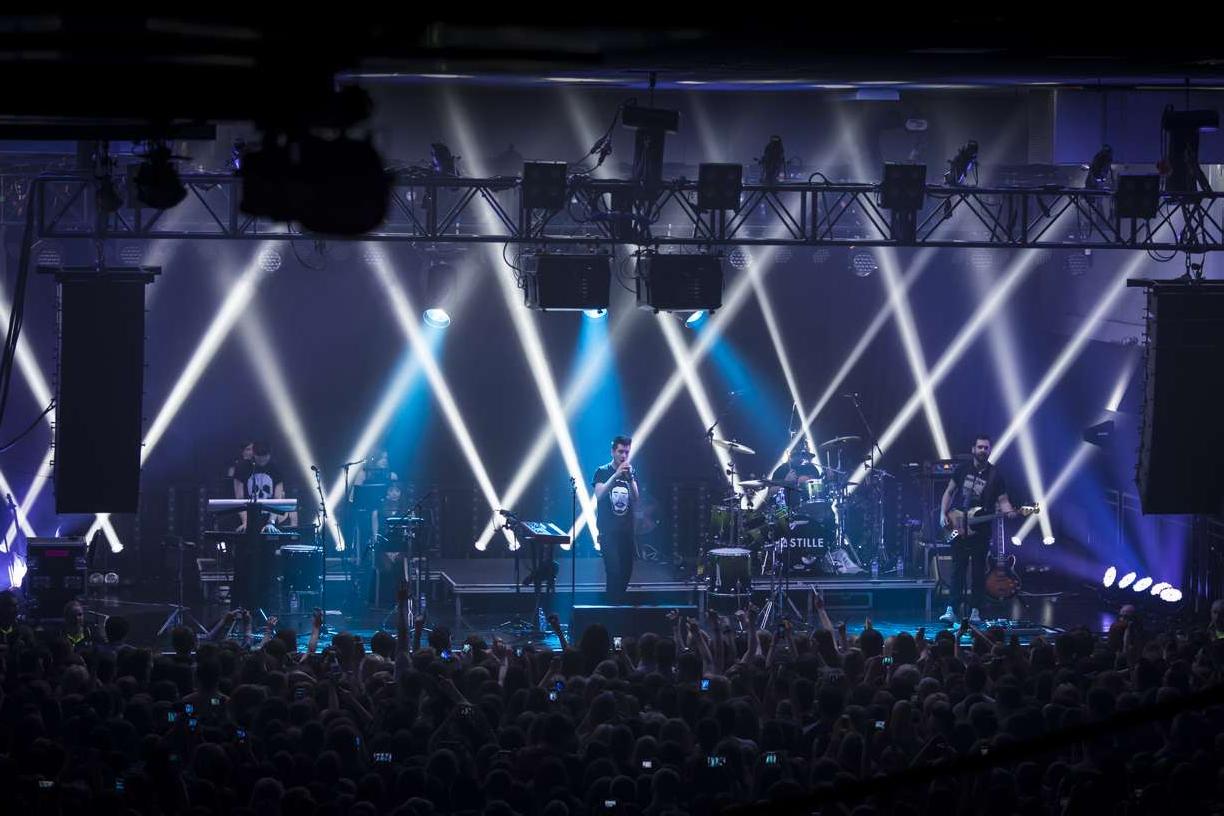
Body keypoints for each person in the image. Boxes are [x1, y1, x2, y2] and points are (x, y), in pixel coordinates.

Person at [939, 434, 1017, 624]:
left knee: (978, 572)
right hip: (958, 524)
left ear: (990, 450)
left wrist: (1011, 512)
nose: (983, 450)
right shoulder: (962, 469)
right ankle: (951, 609)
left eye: (986, 448)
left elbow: (1003, 500)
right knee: (957, 569)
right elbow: (949, 492)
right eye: (980, 447)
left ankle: (975, 611)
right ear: (973, 449)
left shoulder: (995, 475)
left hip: (980, 531)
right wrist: (943, 514)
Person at [592, 435, 640, 602]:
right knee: (613, 571)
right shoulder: (602, 471)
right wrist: (616, 475)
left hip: (626, 532)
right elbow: (599, 495)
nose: (624, 456)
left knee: (626, 571)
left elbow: (635, 497)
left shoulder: (630, 472)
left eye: (627, 452)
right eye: (620, 452)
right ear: (613, 452)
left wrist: (630, 478)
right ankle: (612, 608)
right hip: (608, 532)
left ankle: (616, 604)